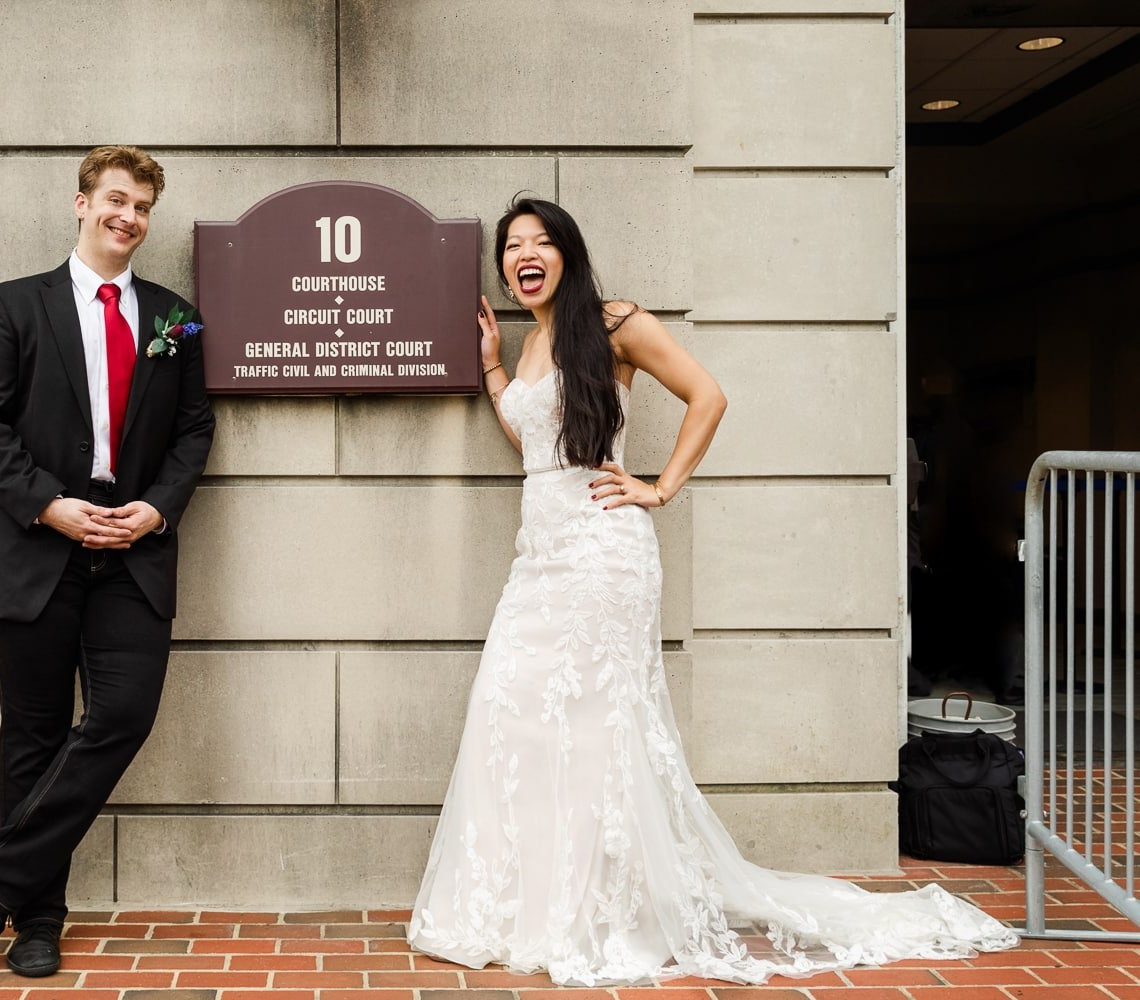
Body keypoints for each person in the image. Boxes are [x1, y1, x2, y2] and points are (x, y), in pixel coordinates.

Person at [406, 197, 1017, 986]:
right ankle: (530, 903)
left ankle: (600, 912)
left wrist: (661, 485)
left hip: (603, 555)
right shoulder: (529, 344)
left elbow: (709, 395)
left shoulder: (616, 321)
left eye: (540, 242)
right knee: (513, 714)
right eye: (512, 247)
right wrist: (493, 365)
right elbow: (538, 442)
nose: (524, 255)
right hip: (539, 556)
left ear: (568, 253)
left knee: (595, 729)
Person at [0, 145, 214, 978]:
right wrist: (49, 504)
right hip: (36, 547)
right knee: (30, 733)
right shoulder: (13, 306)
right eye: (114, 199)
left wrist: (158, 507)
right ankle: (37, 920)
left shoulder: (176, 317)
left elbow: (193, 430)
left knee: (122, 717)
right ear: (81, 204)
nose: (127, 217)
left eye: (141, 206)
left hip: (132, 556)